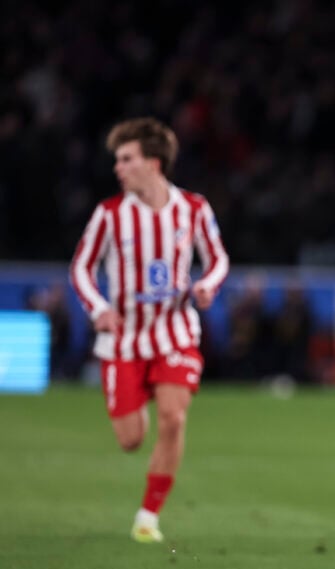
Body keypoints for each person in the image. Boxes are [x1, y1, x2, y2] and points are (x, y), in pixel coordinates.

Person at [69, 117, 230, 543]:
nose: (118, 168)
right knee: (130, 439)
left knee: (174, 419)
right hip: (122, 340)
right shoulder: (110, 215)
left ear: (153, 163)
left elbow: (217, 259)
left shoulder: (194, 208)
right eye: (117, 160)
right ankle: (132, 397)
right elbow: (81, 268)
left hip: (175, 332)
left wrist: (207, 286)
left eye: (126, 159)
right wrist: (99, 308)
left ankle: (148, 516)